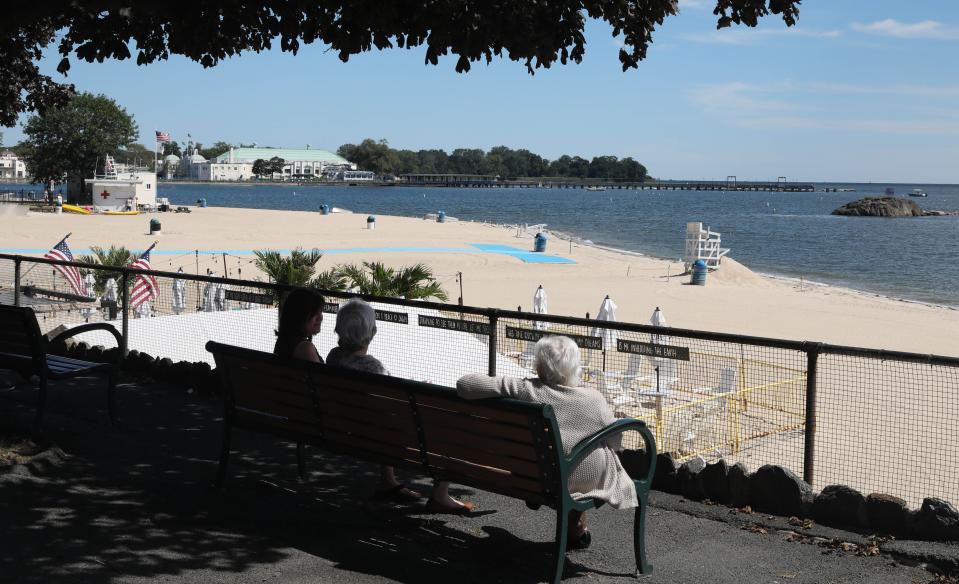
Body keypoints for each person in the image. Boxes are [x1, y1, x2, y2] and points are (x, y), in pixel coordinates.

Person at [456, 335, 638, 549]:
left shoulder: (525, 390)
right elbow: (616, 442)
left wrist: (510, 383)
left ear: (539, 365)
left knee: (562, 457)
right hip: (577, 478)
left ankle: (573, 524)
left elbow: (464, 385)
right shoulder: (593, 400)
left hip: (531, 475)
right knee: (589, 455)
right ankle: (577, 527)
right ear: (574, 367)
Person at [327, 298, 474, 514]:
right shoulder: (373, 368)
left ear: (339, 329)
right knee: (447, 424)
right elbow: (396, 404)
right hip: (385, 433)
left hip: (347, 427)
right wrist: (421, 392)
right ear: (373, 332)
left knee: (384, 419)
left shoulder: (333, 357)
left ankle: (388, 480)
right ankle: (441, 495)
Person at [273, 288, 325, 363]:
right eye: (314, 313)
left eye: (320, 312)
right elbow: (319, 375)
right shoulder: (305, 348)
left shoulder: (284, 340)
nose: (320, 318)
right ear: (300, 316)